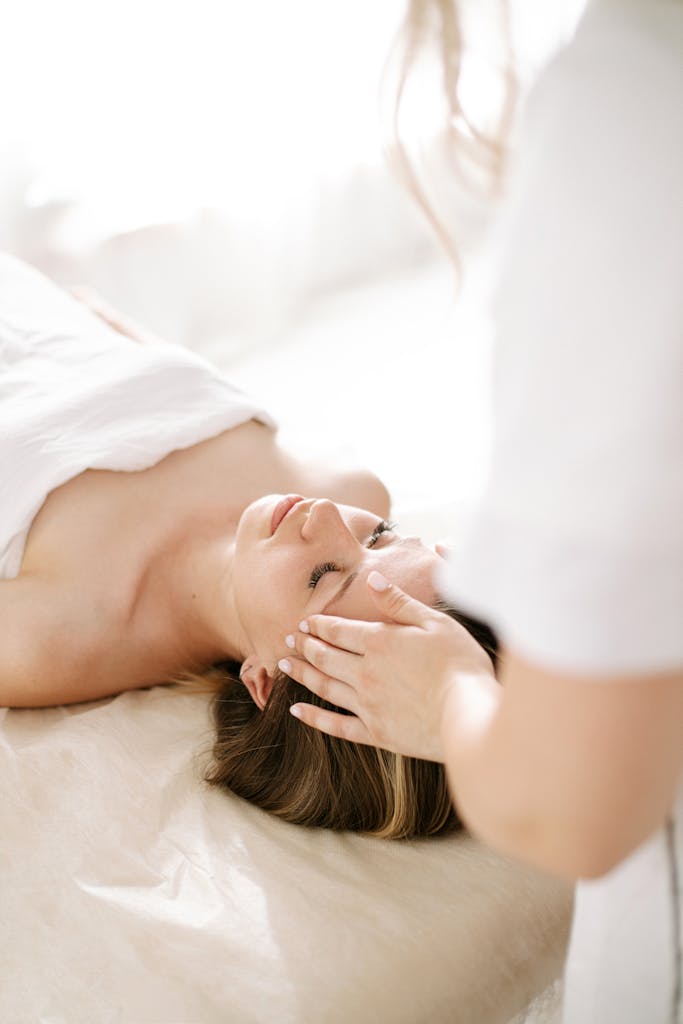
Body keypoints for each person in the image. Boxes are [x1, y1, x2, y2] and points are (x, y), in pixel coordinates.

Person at [281, 1, 683, 1021]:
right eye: (344, 566)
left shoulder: (627, 106)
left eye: (376, 540)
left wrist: (451, 706)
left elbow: (573, 805)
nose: (345, 519)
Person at [0, 250, 496, 840]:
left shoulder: (61, 639)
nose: (329, 518)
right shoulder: (351, 486)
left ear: (264, 682)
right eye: (381, 537)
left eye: (324, 577)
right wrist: (97, 318)